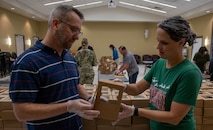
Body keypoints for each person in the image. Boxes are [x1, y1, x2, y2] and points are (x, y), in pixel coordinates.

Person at [9, 5, 100, 130]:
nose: (77, 37)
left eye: (79, 31)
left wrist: (89, 98)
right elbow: (21, 112)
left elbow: (75, 84)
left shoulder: (69, 57)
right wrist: (68, 106)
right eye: (73, 29)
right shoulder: (27, 62)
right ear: (56, 24)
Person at [113, 16, 202, 130]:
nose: (158, 47)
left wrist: (135, 111)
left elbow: (174, 117)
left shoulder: (189, 73)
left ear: (181, 42)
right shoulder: (160, 63)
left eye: (164, 43)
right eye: (158, 41)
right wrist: (123, 86)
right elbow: (137, 89)